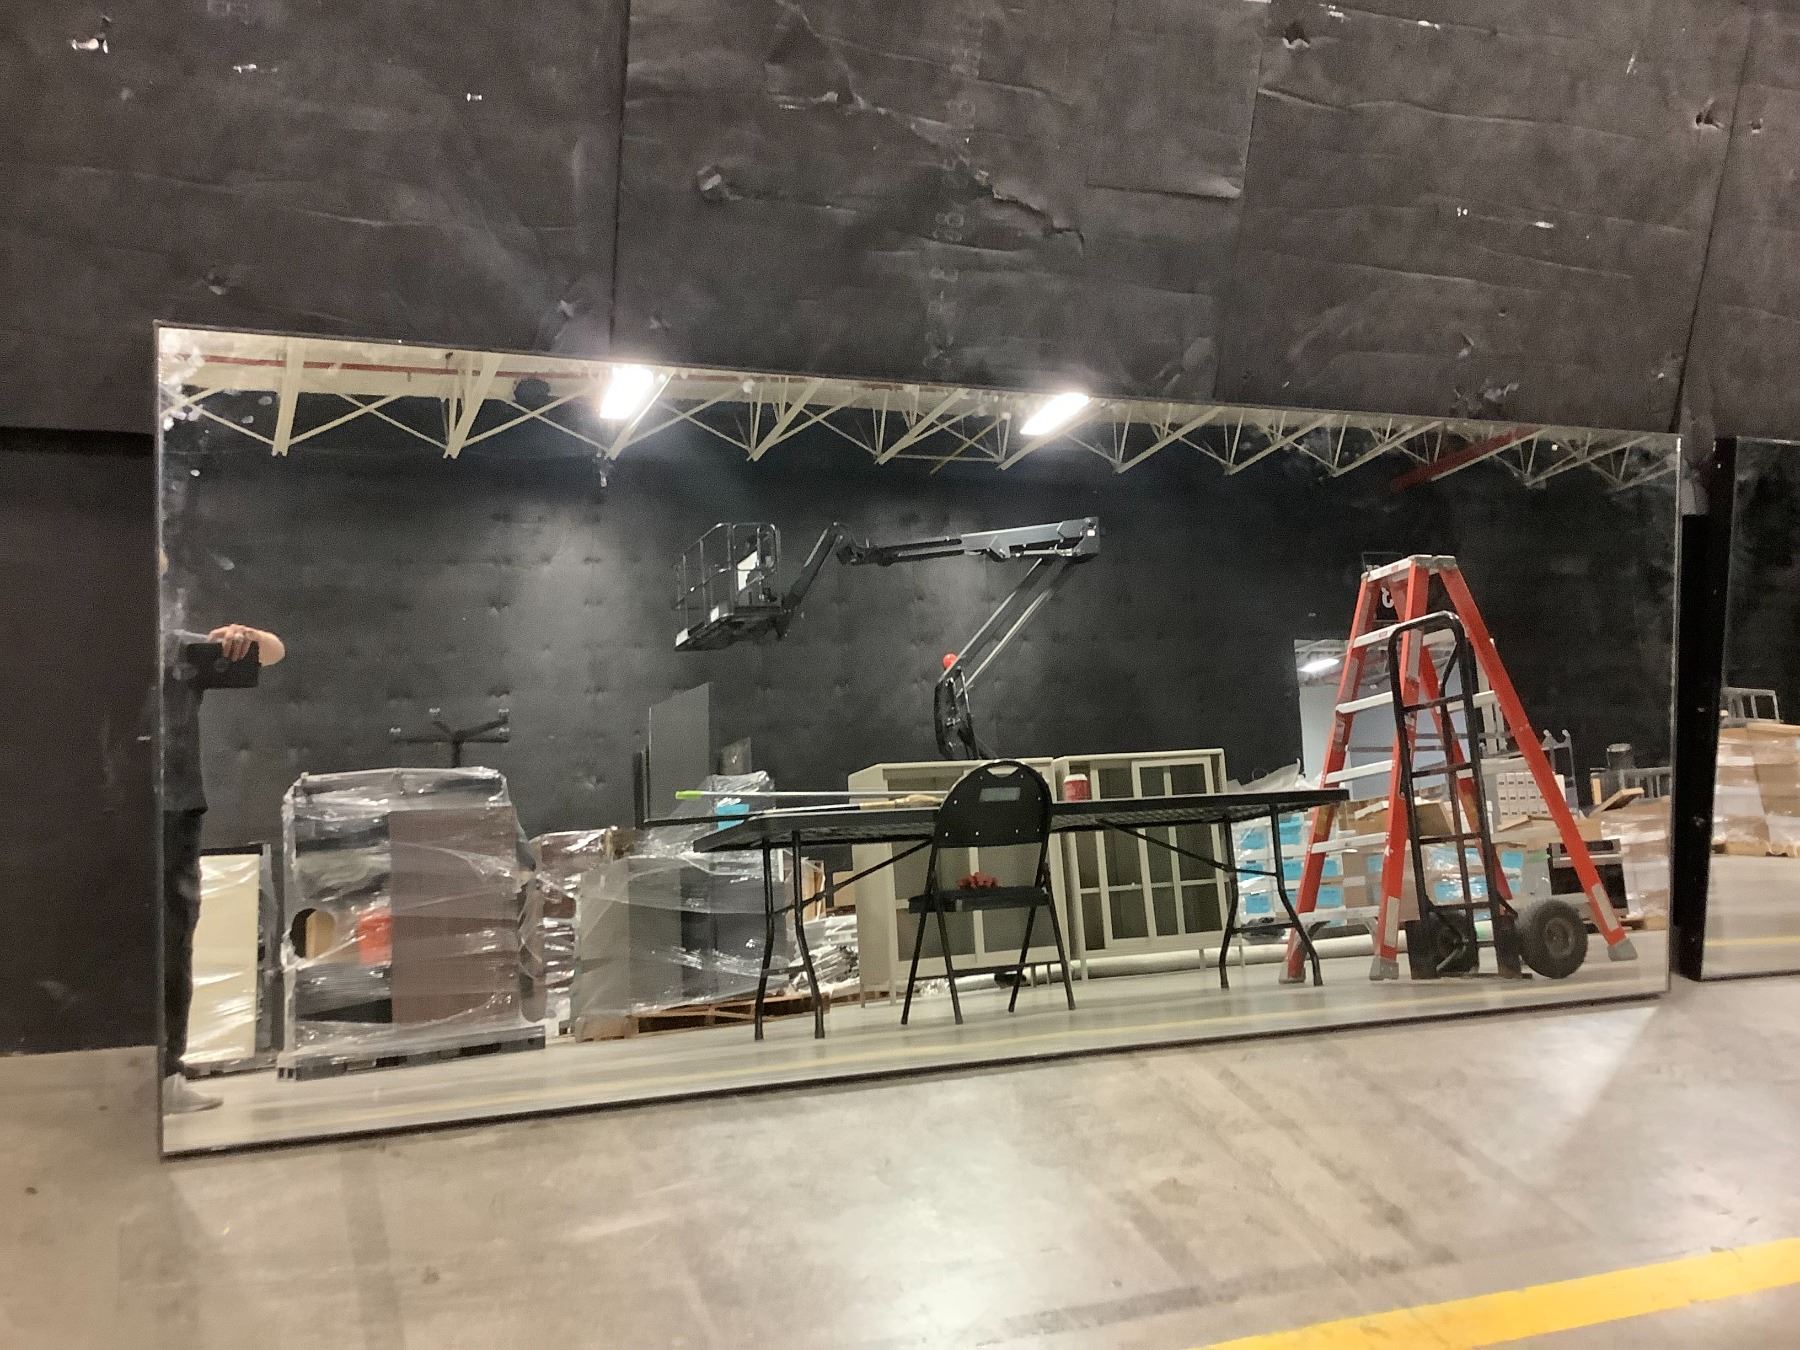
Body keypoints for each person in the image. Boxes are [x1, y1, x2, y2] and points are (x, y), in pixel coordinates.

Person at [162, 616, 285, 1113]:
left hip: (172, 809)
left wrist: (248, 638)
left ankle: (166, 1072)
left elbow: (271, 652)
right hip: (122, 808)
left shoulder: (175, 649)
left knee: (173, 940)